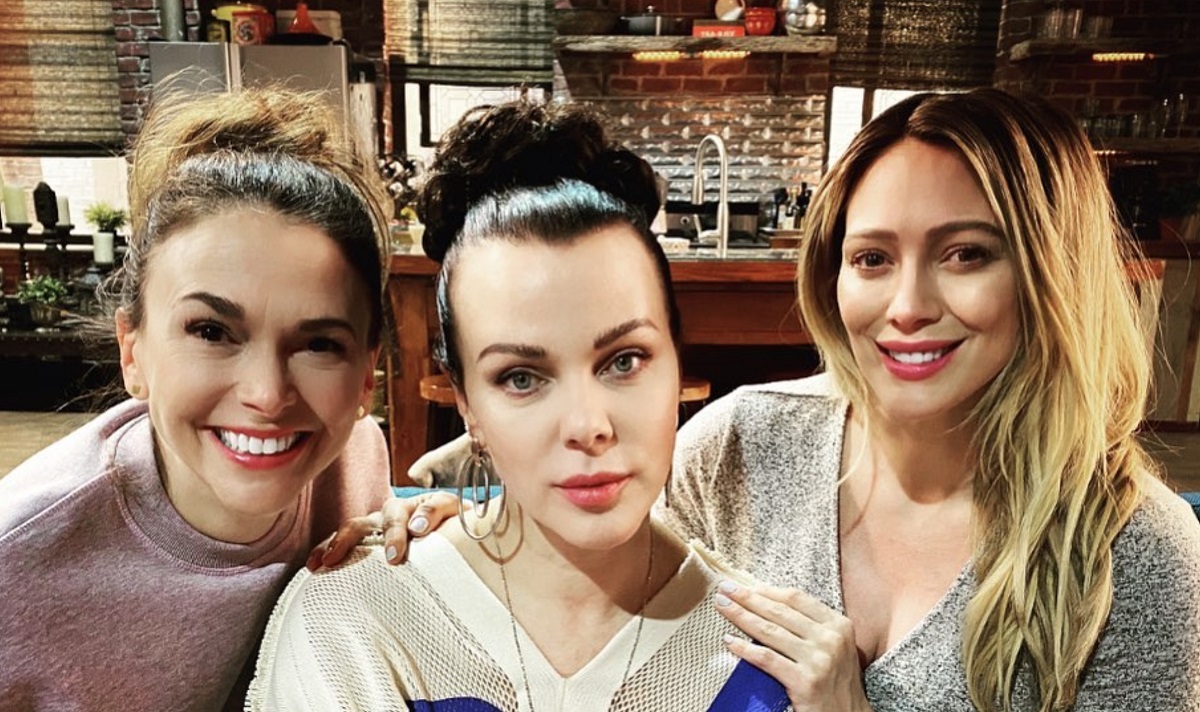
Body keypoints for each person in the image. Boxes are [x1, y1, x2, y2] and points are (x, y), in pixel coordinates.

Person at [348, 88, 1200, 711]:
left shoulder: (1136, 554)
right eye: (872, 259)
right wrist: (470, 526)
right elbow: (603, 560)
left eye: (966, 254)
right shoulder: (745, 445)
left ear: (1050, 272)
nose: (907, 305)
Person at [246, 100, 801, 712]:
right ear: (466, 403)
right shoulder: (357, 622)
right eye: (520, 378)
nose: (588, 426)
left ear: (676, 364)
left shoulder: (774, 660)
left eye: (624, 361)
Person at [0, 87, 393, 711]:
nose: (267, 395)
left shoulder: (355, 461)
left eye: (319, 344)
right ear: (133, 353)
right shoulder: (18, 561)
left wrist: (445, 555)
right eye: (211, 332)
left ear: (367, 375)